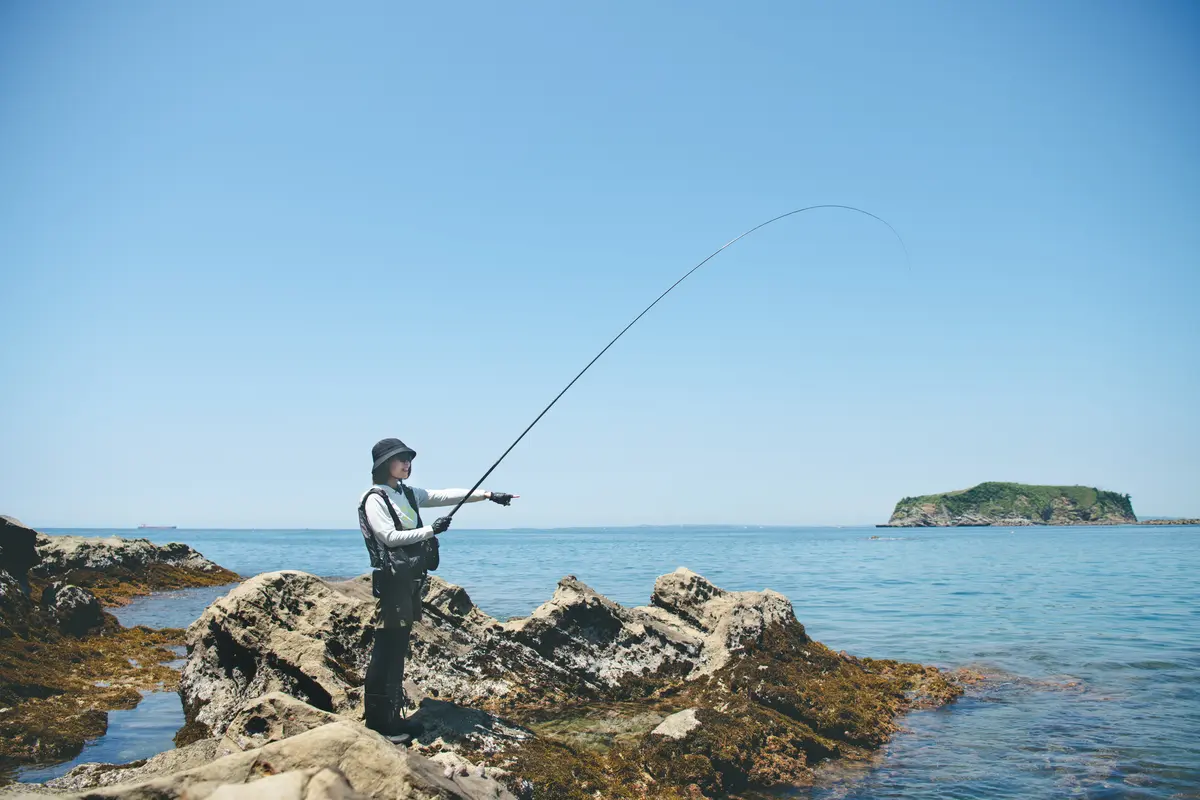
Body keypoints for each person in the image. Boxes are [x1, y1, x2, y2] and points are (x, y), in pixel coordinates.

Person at [357, 437, 516, 742]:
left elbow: (442, 495)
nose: (406, 463)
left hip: (410, 581)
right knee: (386, 651)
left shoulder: (405, 493)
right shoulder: (375, 497)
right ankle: (379, 724)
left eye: (407, 458)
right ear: (383, 465)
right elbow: (388, 537)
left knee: (398, 649)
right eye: (399, 459)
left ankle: (394, 719)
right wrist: (432, 529)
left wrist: (487, 494)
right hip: (392, 583)